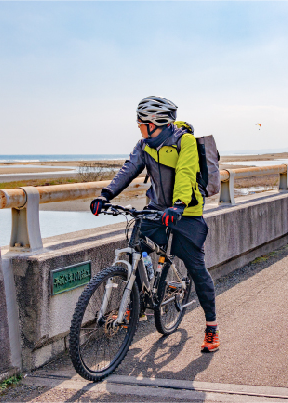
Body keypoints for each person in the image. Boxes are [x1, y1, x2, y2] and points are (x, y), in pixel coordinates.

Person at [89, 96, 220, 353]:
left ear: (154, 122)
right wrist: (105, 195)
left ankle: (212, 327)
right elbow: (128, 170)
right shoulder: (144, 145)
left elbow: (184, 173)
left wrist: (180, 205)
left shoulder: (185, 141)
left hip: (187, 212)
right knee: (137, 246)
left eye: (140, 123)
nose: (138, 127)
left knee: (196, 268)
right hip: (157, 208)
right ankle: (137, 302)